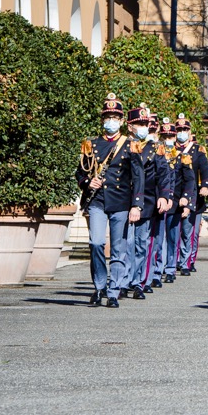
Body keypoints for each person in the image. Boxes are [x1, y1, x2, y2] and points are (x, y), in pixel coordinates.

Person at [75, 93, 144, 308]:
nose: (110, 121)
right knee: (96, 243)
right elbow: (80, 173)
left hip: (121, 202)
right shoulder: (91, 144)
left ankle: (113, 291)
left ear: (122, 121)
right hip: (97, 201)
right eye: (107, 116)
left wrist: (136, 205)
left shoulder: (130, 145)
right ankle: (99, 286)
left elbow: (138, 176)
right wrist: (88, 181)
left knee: (118, 249)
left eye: (115, 117)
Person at [124, 106, 173, 300]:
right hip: (123, 200)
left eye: (145, 124)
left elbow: (163, 173)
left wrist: (164, 195)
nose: (143, 127)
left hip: (147, 201)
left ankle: (138, 282)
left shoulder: (155, 147)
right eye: (139, 124)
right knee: (124, 244)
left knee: (141, 244)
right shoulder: (123, 145)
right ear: (130, 126)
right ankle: (122, 281)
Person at [151, 117, 196, 288]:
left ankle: (170, 269)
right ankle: (156, 271)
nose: (168, 140)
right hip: (160, 203)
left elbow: (189, 180)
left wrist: (186, 198)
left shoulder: (182, 157)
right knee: (158, 238)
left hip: (176, 203)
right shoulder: (157, 154)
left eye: (171, 137)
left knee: (172, 237)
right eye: (165, 137)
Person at [174, 115, 208, 276]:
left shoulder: (197, 150)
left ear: (190, 132)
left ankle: (186, 262)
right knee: (174, 230)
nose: (182, 132)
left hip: (194, 197)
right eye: (179, 130)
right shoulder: (170, 149)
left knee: (189, 231)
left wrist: (205, 186)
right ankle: (172, 260)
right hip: (174, 195)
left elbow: (205, 171)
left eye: (185, 129)